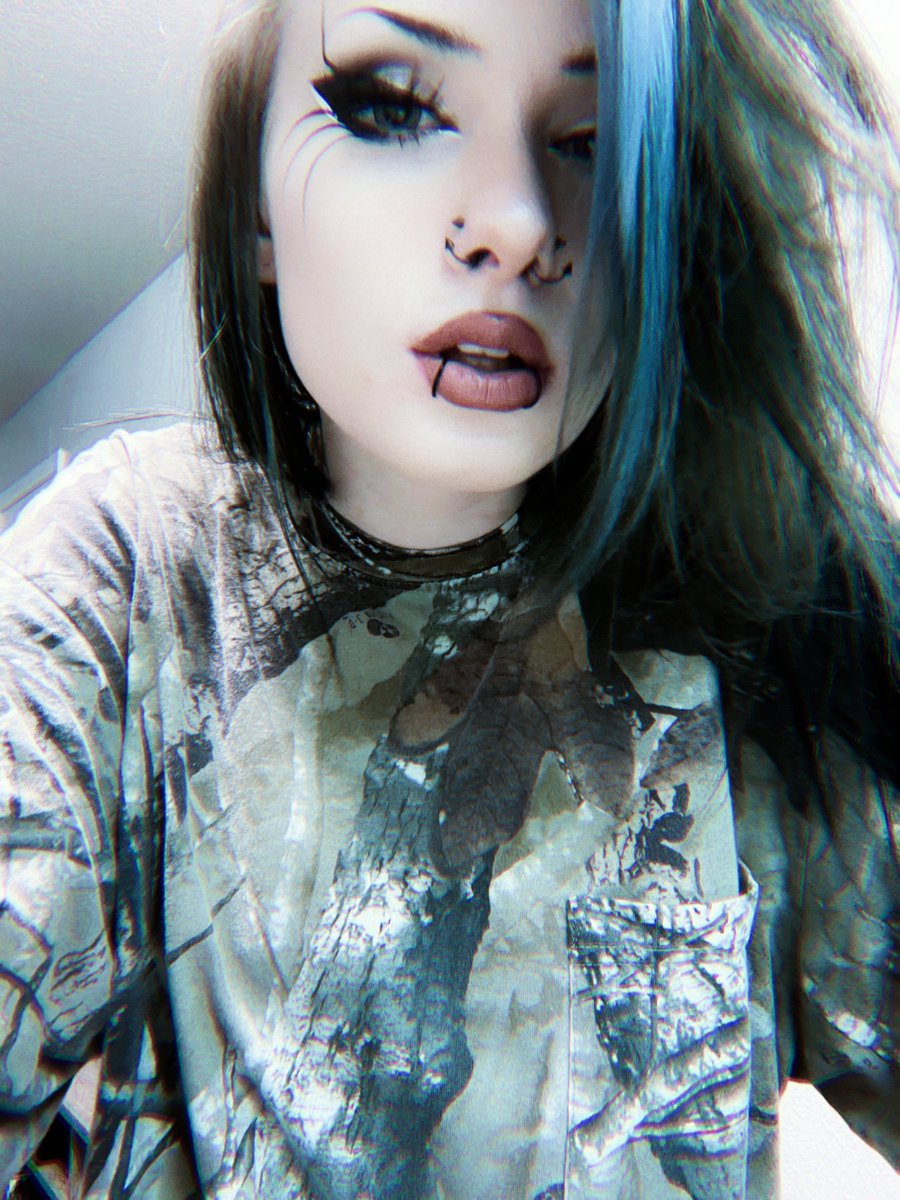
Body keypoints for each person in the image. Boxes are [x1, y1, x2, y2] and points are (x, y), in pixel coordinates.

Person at [1, 0, 897, 1196]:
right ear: (257, 205)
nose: (520, 225)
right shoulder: (130, 571)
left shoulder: (760, 613)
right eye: (393, 109)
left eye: (592, 142)